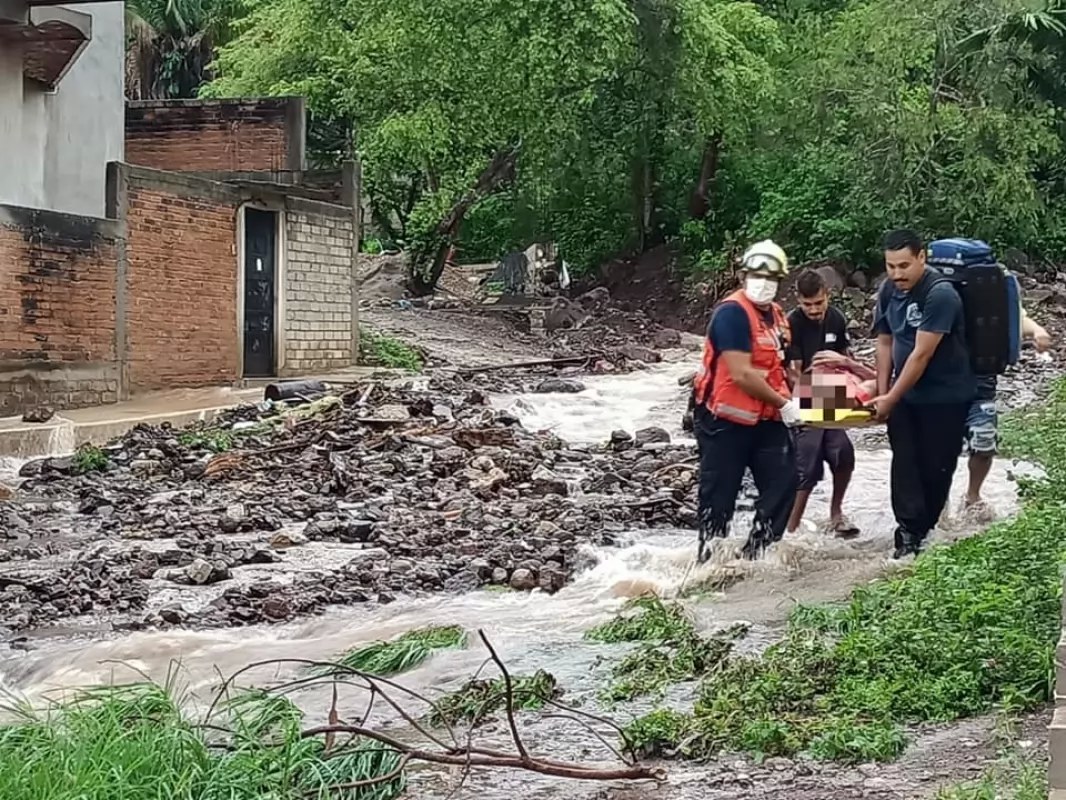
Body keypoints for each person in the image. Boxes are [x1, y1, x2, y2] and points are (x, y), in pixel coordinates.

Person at [692, 240, 802, 562]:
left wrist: (824, 401)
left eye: (771, 277)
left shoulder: (778, 316)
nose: (763, 282)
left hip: (766, 419)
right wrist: (785, 406)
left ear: (781, 280)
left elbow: (785, 367)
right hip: (724, 422)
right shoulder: (732, 314)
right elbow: (742, 374)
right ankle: (710, 561)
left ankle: (757, 555)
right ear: (743, 274)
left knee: (784, 482)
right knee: (719, 495)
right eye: (757, 275)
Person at [870, 229, 977, 559]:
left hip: (945, 397)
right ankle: (907, 536)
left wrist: (890, 397)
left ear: (922, 257)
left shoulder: (940, 294)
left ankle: (925, 532)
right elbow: (884, 341)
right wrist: (883, 390)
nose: (897, 274)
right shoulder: (889, 290)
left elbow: (921, 354)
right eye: (890, 266)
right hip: (906, 396)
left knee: (936, 468)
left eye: (904, 265)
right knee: (904, 463)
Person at [784, 269, 859, 537]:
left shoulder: (836, 318)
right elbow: (793, 370)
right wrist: (808, 399)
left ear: (827, 295)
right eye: (807, 305)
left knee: (843, 453)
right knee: (808, 463)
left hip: (832, 391)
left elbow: (844, 355)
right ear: (798, 300)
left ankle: (836, 513)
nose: (814, 310)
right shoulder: (791, 323)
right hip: (802, 394)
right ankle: (790, 530)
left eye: (818, 303)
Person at [959, 309, 1052, 522]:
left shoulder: (993, 282)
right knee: (938, 452)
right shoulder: (939, 284)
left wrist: (1037, 331)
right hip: (939, 381)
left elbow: (1015, 317)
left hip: (982, 381)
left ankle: (972, 496)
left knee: (984, 444)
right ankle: (938, 504)